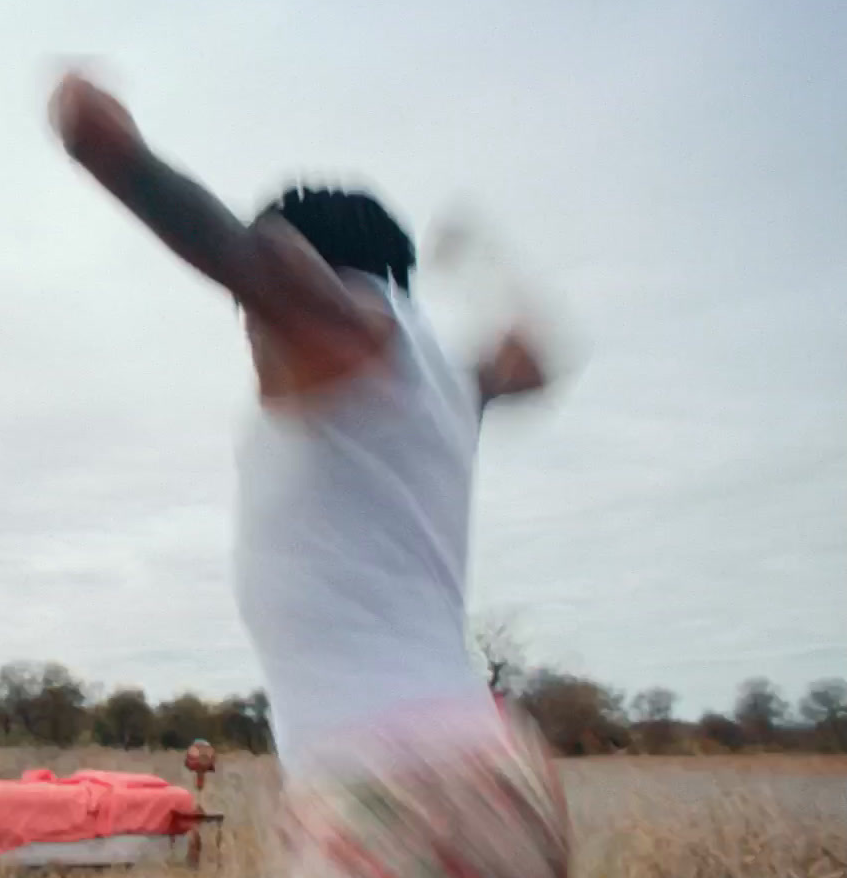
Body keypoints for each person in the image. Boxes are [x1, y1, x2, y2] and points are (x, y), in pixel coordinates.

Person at [48, 71, 569, 878]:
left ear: (309, 272)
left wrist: (111, 148)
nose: (250, 330)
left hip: (389, 789)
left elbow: (242, 256)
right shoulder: (443, 382)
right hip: (495, 774)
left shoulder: (345, 330)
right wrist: (485, 264)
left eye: (253, 313)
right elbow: (529, 361)